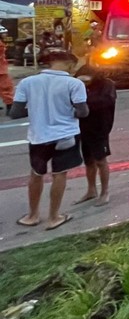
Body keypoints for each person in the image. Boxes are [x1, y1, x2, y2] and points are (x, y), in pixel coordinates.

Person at [10, 49, 88, 229]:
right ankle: (54, 217)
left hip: (38, 136)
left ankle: (32, 215)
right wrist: (67, 111)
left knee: (36, 174)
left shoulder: (27, 82)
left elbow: (16, 113)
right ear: (69, 63)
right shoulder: (74, 84)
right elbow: (83, 112)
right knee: (59, 174)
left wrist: (38, 109)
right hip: (65, 136)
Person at [74, 65, 117, 206]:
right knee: (88, 162)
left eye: (86, 81)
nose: (84, 84)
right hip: (82, 127)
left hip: (100, 128)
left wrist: (82, 103)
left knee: (101, 160)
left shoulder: (107, 85)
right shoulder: (78, 85)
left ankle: (105, 192)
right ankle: (91, 190)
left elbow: (105, 102)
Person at [0, 26, 14, 115]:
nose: (6, 35)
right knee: (6, 88)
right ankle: (10, 107)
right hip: (1, 70)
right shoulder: (0, 45)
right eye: (3, 33)